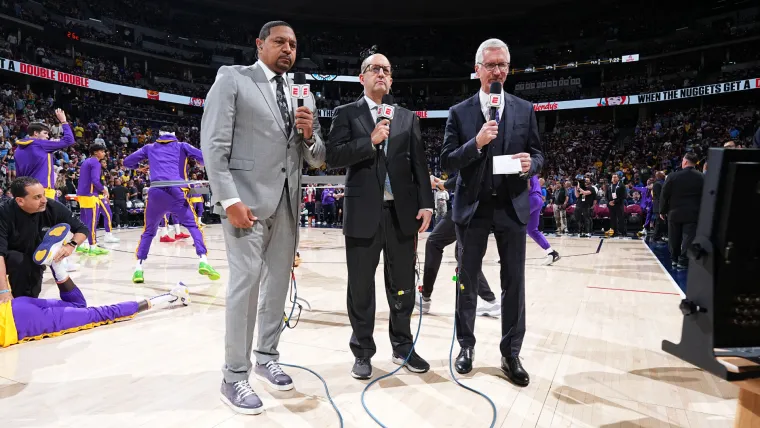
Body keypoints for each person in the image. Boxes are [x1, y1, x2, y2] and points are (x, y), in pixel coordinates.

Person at [201, 20, 325, 415]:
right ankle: (233, 376)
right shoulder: (233, 79)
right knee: (246, 285)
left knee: (276, 289)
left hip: (288, 205)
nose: (287, 49)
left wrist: (308, 134)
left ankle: (266, 355)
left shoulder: (302, 95)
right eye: (279, 42)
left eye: (292, 44)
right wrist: (228, 198)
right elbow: (214, 144)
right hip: (246, 206)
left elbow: (317, 158)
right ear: (259, 44)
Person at [440, 38, 543, 386]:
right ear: (477, 70)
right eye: (490, 65)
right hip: (472, 209)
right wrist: (477, 143)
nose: (497, 71)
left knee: (514, 283)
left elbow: (538, 154)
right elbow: (447, 160)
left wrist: (531, 164)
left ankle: (510, 353)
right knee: (464, 282)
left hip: (511, 209)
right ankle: (466, 346)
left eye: (502, 65)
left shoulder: (525, 109)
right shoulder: (459, 112)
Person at [326, 52, 433, 380]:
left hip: (402, 215)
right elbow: (332, 157)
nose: (382, 74)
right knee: (360, 287)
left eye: (387, 70)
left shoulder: (406, 117)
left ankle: (402, 344)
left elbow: (419, 164)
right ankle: (362, 350)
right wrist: (369, 142)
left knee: (402, 286)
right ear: (362, 77)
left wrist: (427, 204)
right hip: (362, 213)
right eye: (375, 69)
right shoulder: (346, 113)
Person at [0, 223, 189, 348]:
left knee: (99, 315)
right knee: (79, 305)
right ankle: (57, 264)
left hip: (20, 323)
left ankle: (168, 297)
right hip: (16, 307)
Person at [124, 128, 217, 284]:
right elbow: (204, 158)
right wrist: (200, 164)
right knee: (194, 226)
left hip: (155, 192)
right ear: (174, 137)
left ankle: (139, 269)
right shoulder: (182, 146)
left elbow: (127, 162)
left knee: (148, 232)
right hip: (176, 191)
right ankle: (203, 260)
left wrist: (138, 168)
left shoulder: (149, 147)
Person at [420, 173, 499, 316]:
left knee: (434, 242)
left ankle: (425, 297)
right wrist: (444, 182)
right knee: (463, 256)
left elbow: (468, 175)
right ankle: (490, 300)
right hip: (482, 207)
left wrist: (441, 184)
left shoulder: (474, 152)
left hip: (470, 206)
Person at [0, 177, 88, 301]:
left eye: (44, 195)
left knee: (30, 296)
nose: (44, 200)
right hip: (10, 259)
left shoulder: (53, 207)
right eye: (37, 197)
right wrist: (3, 291)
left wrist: (70, 245)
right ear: (20, 201)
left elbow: (82, 229)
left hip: (35, 259)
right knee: (18, 259)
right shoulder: (4, 212)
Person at [15, 109, 75, 199]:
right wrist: (63, 121)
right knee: (62, 213)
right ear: (35, 133)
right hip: (44, 191)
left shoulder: (18, 149)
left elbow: (18, 175)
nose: (48, 136)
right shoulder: (41, 144)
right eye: (45, 133)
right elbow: (69, 140)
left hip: (27, 192)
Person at [660, 152, 704, 270]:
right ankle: (683, 261)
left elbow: (664, 195)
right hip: (693, 213)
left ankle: (674, 258)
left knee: (674, 237)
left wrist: (662, 211)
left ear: (684, 162)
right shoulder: (702, 177)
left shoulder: (673, 176)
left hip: (674, 212)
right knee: (688, 237)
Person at [75, 144, 112, 256]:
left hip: (81, 195)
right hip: (90, 195)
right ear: (96, 152)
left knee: (83, 222)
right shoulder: (95, 162)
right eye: (102, 151)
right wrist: (103, 190)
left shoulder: (86, 161)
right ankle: (93, 246)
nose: (104, 153)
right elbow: (95, 180)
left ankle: (81, 245)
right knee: (92, 222)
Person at [528, 175, 560, 265]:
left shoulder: (522, 166)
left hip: (530, 198)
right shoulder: (532, 169)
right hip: (537, 199)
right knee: (532, 230)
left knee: (512, 225)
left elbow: (527, 186)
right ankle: (551, 253)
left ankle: (506, 256)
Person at [605, 173, 627, 238]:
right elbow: (606, 196)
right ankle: (614, 232)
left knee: (621, 219)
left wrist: (615, 201)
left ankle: (623, 232)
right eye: (613, 177)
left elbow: (623, 196)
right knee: (613, 219)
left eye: (615, 177)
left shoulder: (621, 186)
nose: (614, 178)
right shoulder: (609, 186)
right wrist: (608, 202)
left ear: (618, 178)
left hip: (619, 204)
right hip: (611, 205)